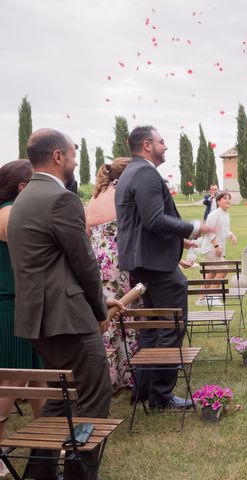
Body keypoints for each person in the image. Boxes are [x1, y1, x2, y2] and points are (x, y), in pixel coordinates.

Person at [7, 129, 124, 480]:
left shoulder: (24, 198)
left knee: (62, 396)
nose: (76, 161)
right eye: (73, 154)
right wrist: (99, 308)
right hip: (67, 317)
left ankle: (38, 473)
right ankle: (78, 473)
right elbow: (84, 262)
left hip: (37, 318)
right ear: (58, 156)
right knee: (94, 394)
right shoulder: (61, 199)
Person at [115, 125, 212, 409]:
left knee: (153, 327)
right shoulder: (144, 173)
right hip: (157, 266)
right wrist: (194, 227)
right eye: (162, 140)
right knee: (171, 325)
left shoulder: (129, 173)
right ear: (147, 145)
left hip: (143, 262)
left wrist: (181, 239)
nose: (165, 145)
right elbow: (154, 220)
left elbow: (142, 223)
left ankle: (143, 390)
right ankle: (161, 394)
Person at [0, 161, 44, 466]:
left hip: (26, 303)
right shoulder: (9, 212)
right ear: (22, 188)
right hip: (9, 304)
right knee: (11, 382)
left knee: (41, 379)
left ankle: (49, 446)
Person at [85, 157, 137, 391]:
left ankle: (109, 376)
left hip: (97, 263)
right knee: (127, 314)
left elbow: (85, 233)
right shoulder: (123, 195)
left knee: (106, 316)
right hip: (120, 262)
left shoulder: (94, 198)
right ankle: (130, 373)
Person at [196, 190, 237, 306]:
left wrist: (231, 235)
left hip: (217, 249)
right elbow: (210, 231)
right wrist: (216, 246)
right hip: (211, 249)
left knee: (212, 273)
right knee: (224, 269)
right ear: (218, 202)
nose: (228, 200)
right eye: (224, 198)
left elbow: (225, 230)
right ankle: (212, 296)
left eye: (229, 198)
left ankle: (201, 299)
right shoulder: (214, 214)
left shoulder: (226, 215)